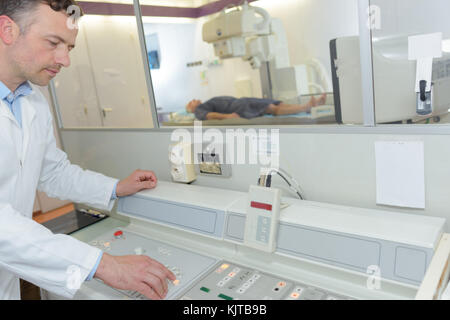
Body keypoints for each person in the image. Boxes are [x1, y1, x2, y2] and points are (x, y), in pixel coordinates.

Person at [0, 0, 175, 300]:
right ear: (7, 29)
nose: (64, 60)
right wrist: (102, 265)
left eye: (69, 47)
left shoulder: (32, 101)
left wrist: (115, 187)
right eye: (54, 42)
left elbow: (53, 172)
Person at [186, 94, 327, 120]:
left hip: (241, 101)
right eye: (190, 102)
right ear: (191, 109)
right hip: (239, 107)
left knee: (277, 103)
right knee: (272, 108)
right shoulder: (199, 111)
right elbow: (209, 116)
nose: (194, 100)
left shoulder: (204, 104)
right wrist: (228, 116)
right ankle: (305, 108)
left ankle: (311, 105)